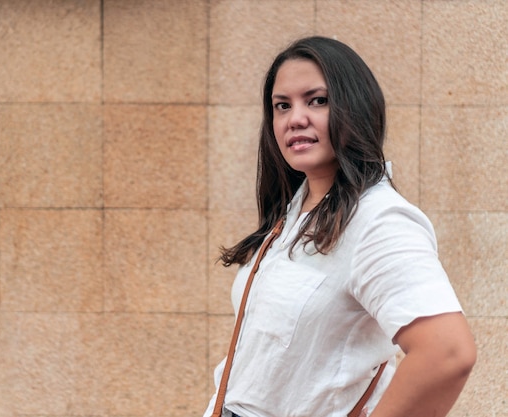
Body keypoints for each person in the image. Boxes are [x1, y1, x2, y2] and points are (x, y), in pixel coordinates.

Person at [203, 36, 476, 417]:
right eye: (282, 106)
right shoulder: (295, 210)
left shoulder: (378, 220)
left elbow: (447, 353)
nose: (295, 118)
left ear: (356, 107)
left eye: (317, 100)